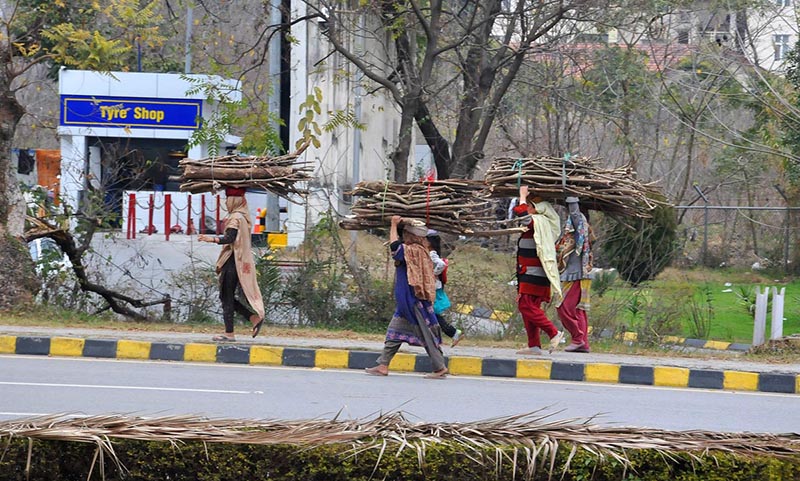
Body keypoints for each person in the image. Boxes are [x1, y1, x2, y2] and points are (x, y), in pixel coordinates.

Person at [366, 216, 448, 378]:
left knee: (426, 334)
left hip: (413, 301)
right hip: (406, 302)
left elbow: (394, 247)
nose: (403, 236)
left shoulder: (413, 251)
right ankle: (383, 365)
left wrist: (393, 224)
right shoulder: (418, 250)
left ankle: (439, 368)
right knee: (394, 332)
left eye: (405, 234)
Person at [198, 188, 265, 342]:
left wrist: (211, 239)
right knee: (225, 296)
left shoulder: (235, 217)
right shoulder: (244, 216)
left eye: (228, 199)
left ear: (233, 201)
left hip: (233, 261)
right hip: (238, 261)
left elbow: (230, 238)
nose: (226, 202)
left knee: (226, 296)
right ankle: (253, 318)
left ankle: (230, 333)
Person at [511, 185, 564, 355]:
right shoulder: (540, 224)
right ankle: (534, 346)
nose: (527, 208)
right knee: (529, 307)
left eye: (530, 206)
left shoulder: (539, 222)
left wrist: (522, 195)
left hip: (533, 274)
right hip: (531, 273)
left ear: (538, 209)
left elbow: (520, 213)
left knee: (525, 305)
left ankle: (554, 333)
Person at [556, 196, 594, 352]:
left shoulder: (580, 227)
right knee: (578, 310)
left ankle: (578, 338)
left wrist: (571, 197)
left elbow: (576, 215)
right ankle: (583, 343)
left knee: (565, 308)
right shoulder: (576, 234)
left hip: (576, 275)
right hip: (576, 274)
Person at [426, 230, 463, 347]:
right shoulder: (432, 252)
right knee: (430, 313)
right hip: (434, 286)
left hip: (433, 287)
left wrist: (432, 273)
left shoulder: (431, 253)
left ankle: (453, 333)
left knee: (431, 313)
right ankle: (452, 333)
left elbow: (441, 264)